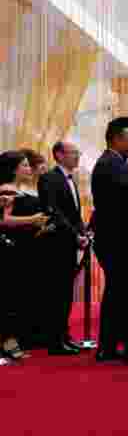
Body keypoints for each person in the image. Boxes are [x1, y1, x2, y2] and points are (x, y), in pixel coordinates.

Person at [90, 117, 128, 362]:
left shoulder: (112, 163)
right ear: (116, 139)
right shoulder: (111, 164)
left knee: (119, 293)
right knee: (122, 293)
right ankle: (120, 347)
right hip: (118, 240)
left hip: (115, 239)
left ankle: (112, 346)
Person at [38, 141, 89, 354]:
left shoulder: (72, 180)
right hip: (56, 244)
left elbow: (74, 212)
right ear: (59, 155)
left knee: (66, 293)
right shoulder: (49, 178)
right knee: (56, 293)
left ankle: (64, 336)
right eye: (73, 153)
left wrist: (82, 232)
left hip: (70, 243)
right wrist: (75, 234)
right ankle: (55, 340)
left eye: (78, 152)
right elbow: (54, 212)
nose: (77, 156)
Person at [0, 152, 50, 360]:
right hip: (11, 251)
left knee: (19, 297)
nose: (29, 169)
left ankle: (16, 340)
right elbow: (4, 221)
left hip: (25, 249)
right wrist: (33, 219)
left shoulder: (21, 190)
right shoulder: (7, 190)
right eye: (25, 166)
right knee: (10, 297)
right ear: (14, 169)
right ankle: (7, 342)